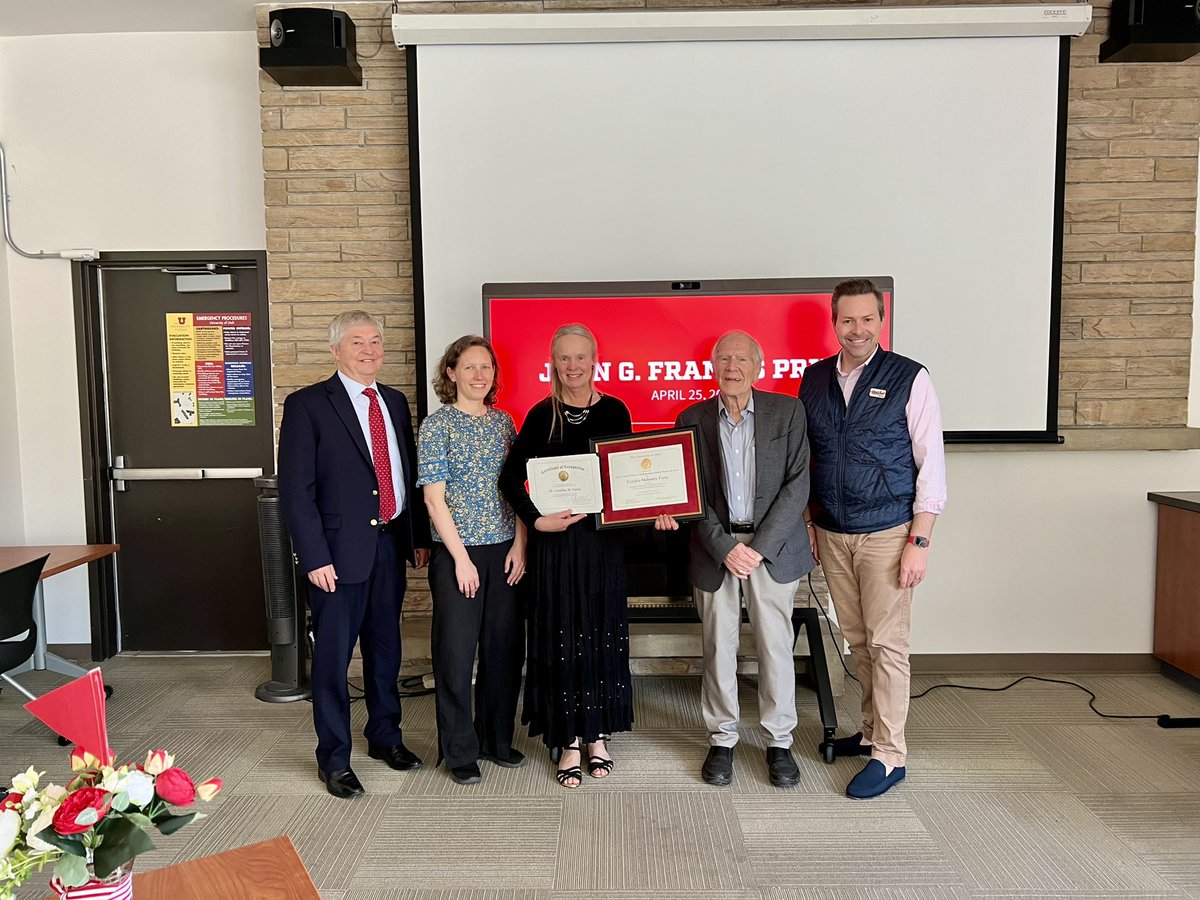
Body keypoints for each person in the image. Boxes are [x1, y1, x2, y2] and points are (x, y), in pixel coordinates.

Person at [799, 278, 947, 799]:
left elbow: (931, 467)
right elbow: (808, 459)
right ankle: (871, 731)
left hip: (888, 531)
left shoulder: (910, 377)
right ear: (834, 323)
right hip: (834, 533)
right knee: (858, 641)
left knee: (888, 645)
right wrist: (812, 522)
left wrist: (919, 541)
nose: (857, 329)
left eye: (867, 319)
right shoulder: (813, 381)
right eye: (847, 320)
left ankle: (891, 754)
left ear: (880, 321)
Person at [278, 310, 432, 799]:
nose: (370, 350)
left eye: (376, 342)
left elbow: (404, 473)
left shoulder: (394, 401)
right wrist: (313, 555)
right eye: (358, 342)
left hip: (389, 544)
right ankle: (335, 759)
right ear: (336, 350)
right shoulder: (307, 405)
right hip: (336, 557)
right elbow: (296, 491)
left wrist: (417, 537)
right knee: (333, 660)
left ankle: (385, 736)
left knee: (386, 653)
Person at [655, 331, 814, 788]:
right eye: (723, 358)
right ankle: (722, 739)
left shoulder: (788, 412)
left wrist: (757, 547)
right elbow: (691, 494)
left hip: (773, 551)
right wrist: (726, 547)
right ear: (712, 366)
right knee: (718, 648)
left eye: (741, 358)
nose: (732, 366)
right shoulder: (691, 418)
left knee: (775, 648)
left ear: (758, 367)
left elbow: (797, 485)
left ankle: (779, 741)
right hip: (715, 549)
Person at [498, 324, 634, 789]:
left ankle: (597, 735)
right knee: (561, 635)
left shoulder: (617, 410)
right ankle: (569, 740)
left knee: (600, 632)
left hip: (603, 546)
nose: (572, 366)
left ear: (595, 359)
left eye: (580, 357)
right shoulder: (541, 416)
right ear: (552, 362)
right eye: (564, 358)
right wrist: (537, 521)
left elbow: (628, 478)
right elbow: (512, 480)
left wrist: (655, 507)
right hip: (556, 546)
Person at [417, 335, 528, 785]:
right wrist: (460, 559)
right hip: (457, 554)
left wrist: (521, 545)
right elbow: (433, 499)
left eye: (486, 368)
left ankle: (496, 740)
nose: (479, 375)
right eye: (469, 367)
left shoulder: (505, 423)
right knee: (456, 656)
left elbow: (519, 491)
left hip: (505, 553)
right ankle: (460, 750)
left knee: (504, 651)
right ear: (451, 373)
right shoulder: (436, 425)